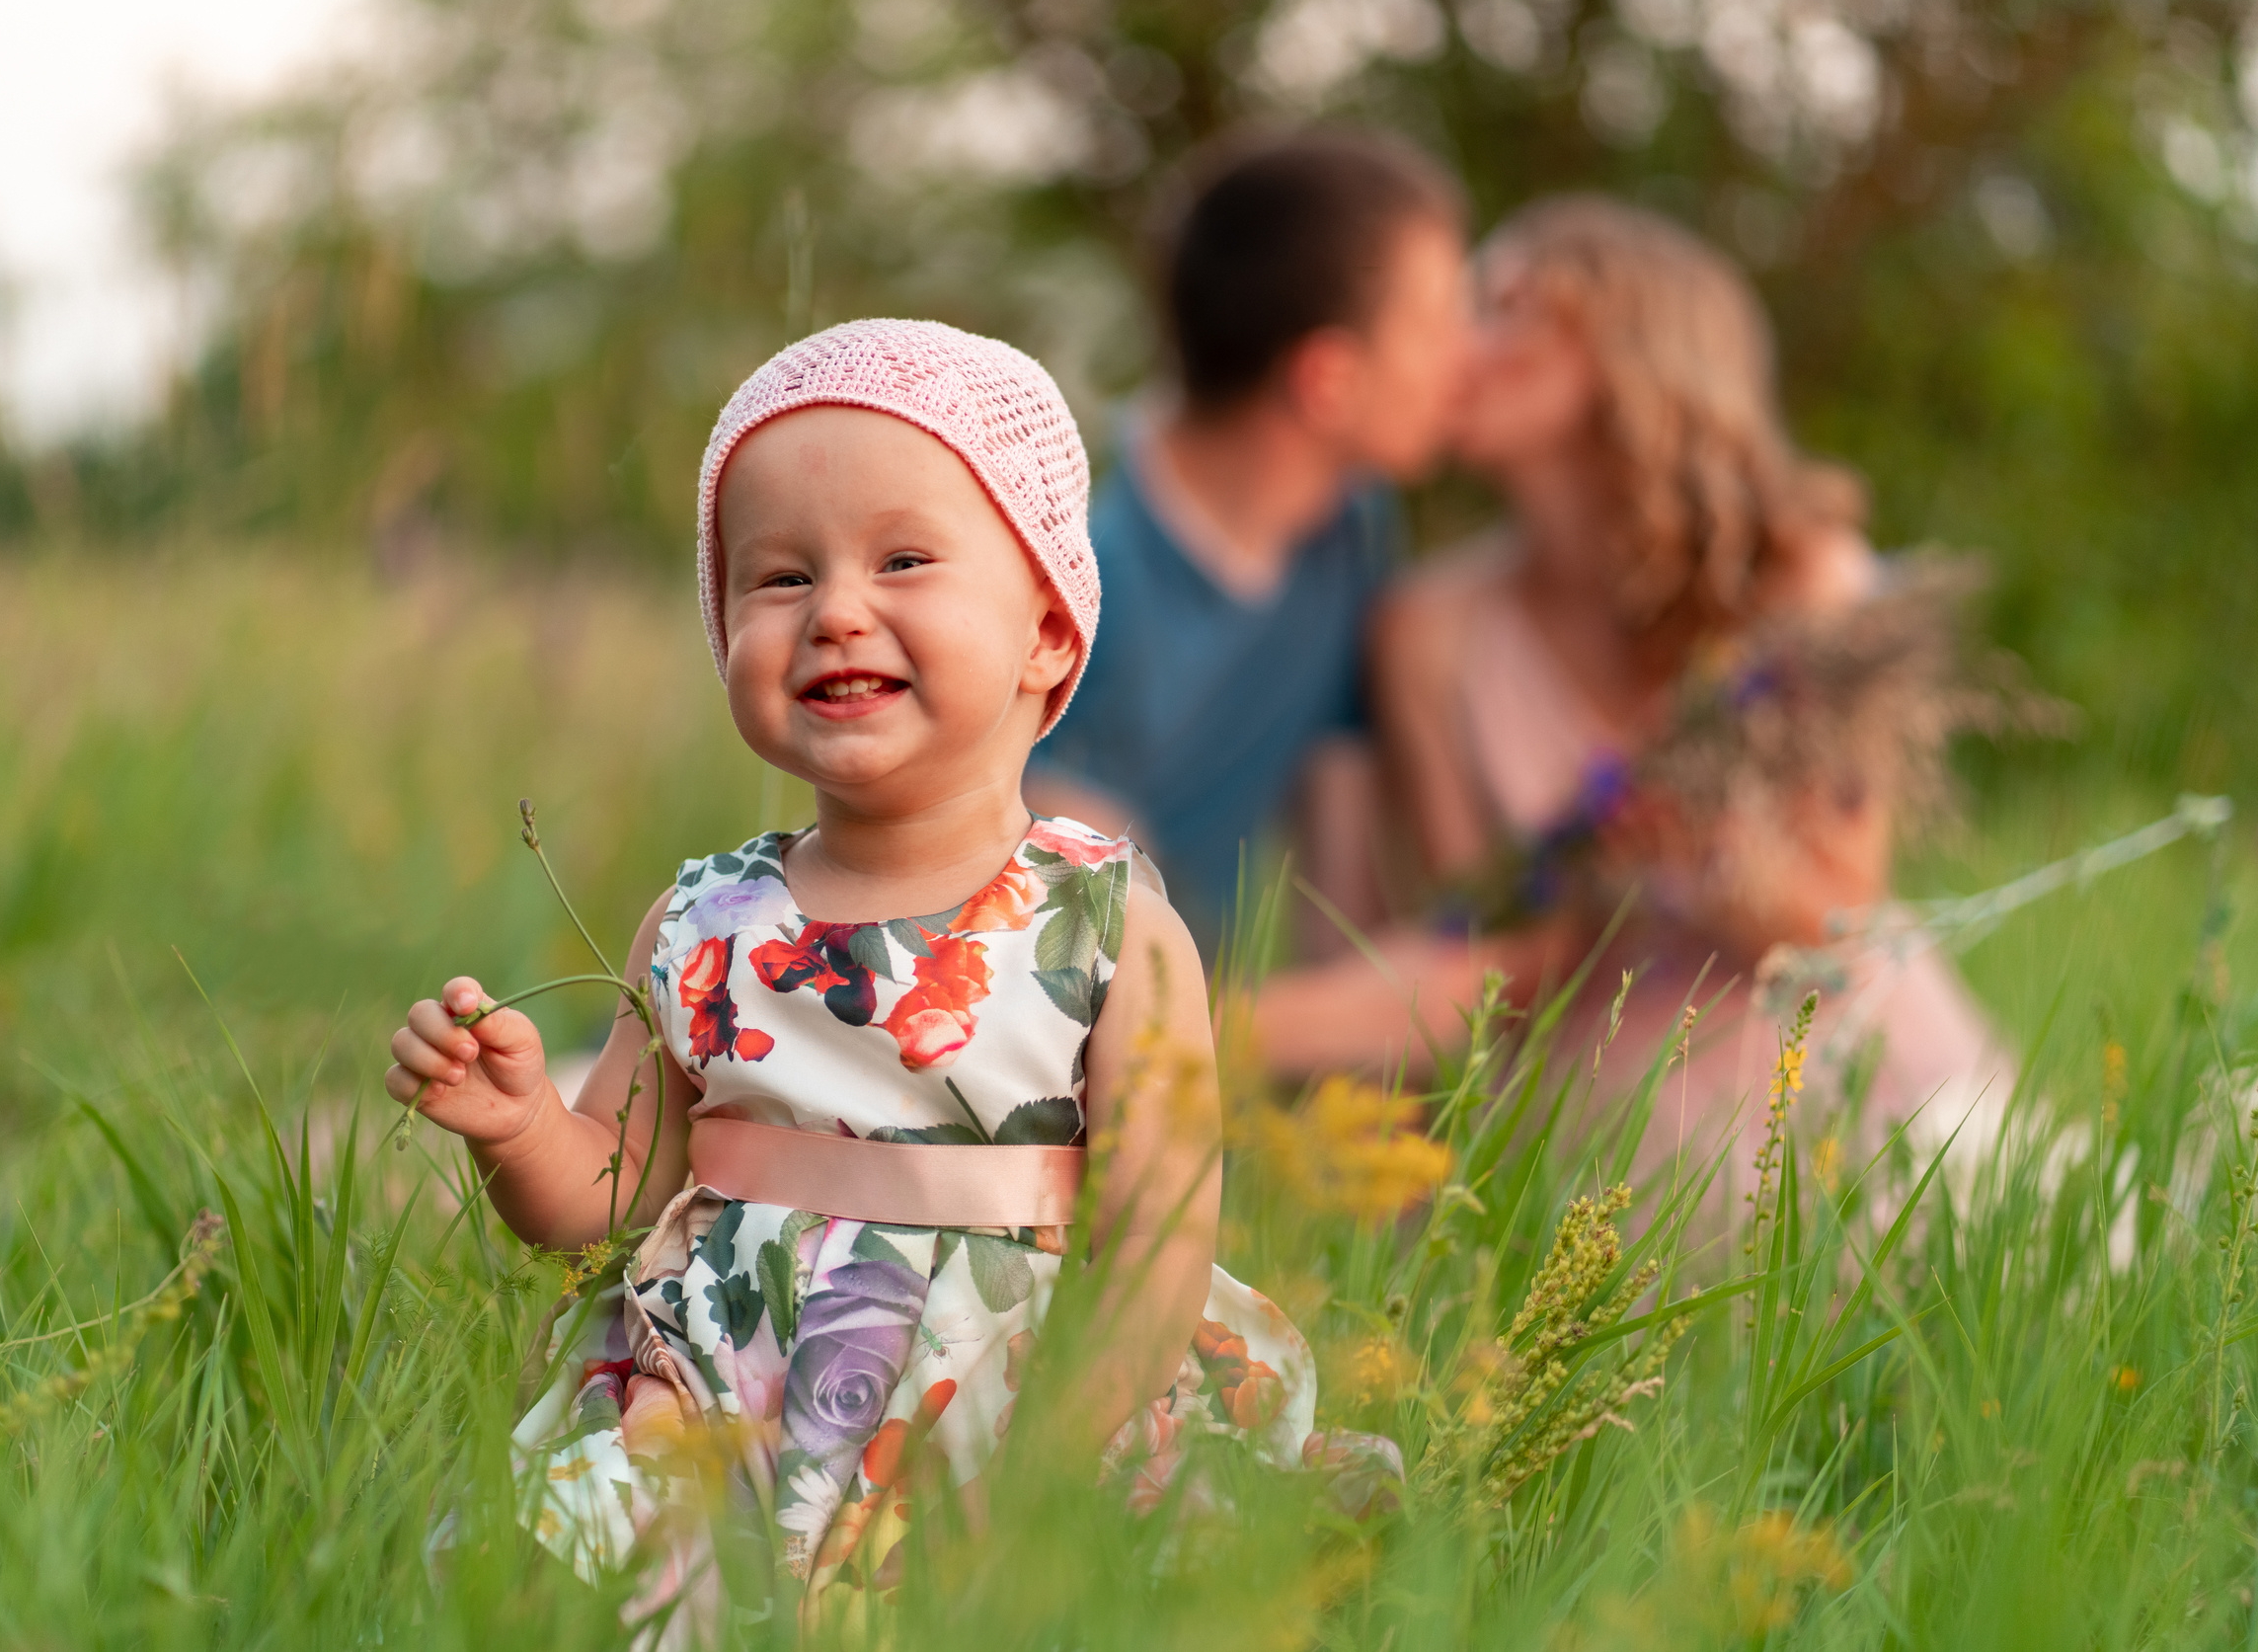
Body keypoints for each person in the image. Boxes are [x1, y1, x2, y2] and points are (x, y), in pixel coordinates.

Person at [385, 320, 1394, 1636]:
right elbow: (611, 1194)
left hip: (1012, 1405)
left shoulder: (1111, 926)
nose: (836, 610)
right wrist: (520, 1126)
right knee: (585, 1593)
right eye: (779, 577)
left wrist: (1052, 1463)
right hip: (723, 1407)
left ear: (1047, 632)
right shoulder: (701, 919)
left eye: (903, 560)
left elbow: (1155, 1244)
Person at [1255, 197, 2010, 1161]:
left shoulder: (1803, 581)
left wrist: (1703, 859)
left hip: (1829, 1054)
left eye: (1504, 308)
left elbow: (1837, 922)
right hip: (1605, 1098)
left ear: (1629, 348)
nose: (1457, 346)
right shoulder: (1422, 630)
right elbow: (1486, 944)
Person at [1026, 130, 1471, 954]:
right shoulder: (1075, 582)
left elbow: (1341, 859)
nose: (1466, 358)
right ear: (1328, 380)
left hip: (1228, 1000)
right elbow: (1078, 950)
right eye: (1438, 324)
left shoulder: (1354, 528)